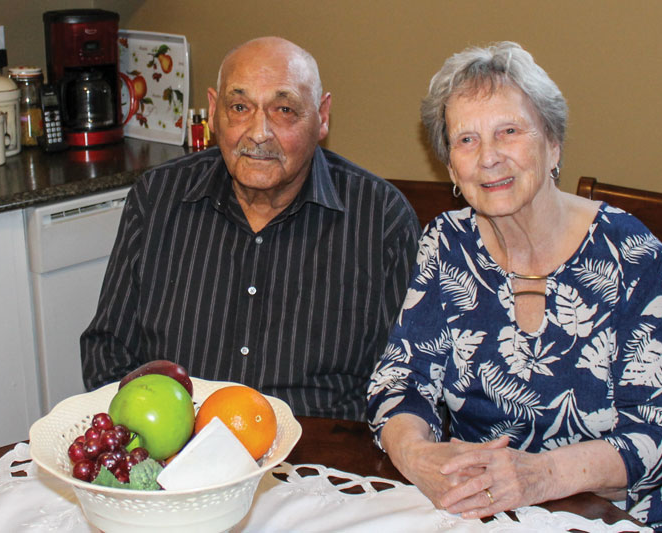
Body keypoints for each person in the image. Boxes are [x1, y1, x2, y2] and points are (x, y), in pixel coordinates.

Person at [366, 41, 662, 531]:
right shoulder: (447, 243)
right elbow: (400, 381)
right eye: (466, 140)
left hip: (629, 515)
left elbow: (659, 434)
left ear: (553, 145)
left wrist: (539, 476)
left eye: (509, 131)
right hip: (488, 510)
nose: (488, 158)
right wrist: (419, 455)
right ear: (451, 170)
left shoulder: (631, 255)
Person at [81, 36, 421, 421]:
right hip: (179, 454)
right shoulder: (156, 198)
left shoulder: (381, 220)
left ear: (322, 116)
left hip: (319, 461)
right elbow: (108, 349)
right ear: (213, 111)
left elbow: (405, 380)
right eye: (239, 107)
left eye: (285, 110)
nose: (259, 133)